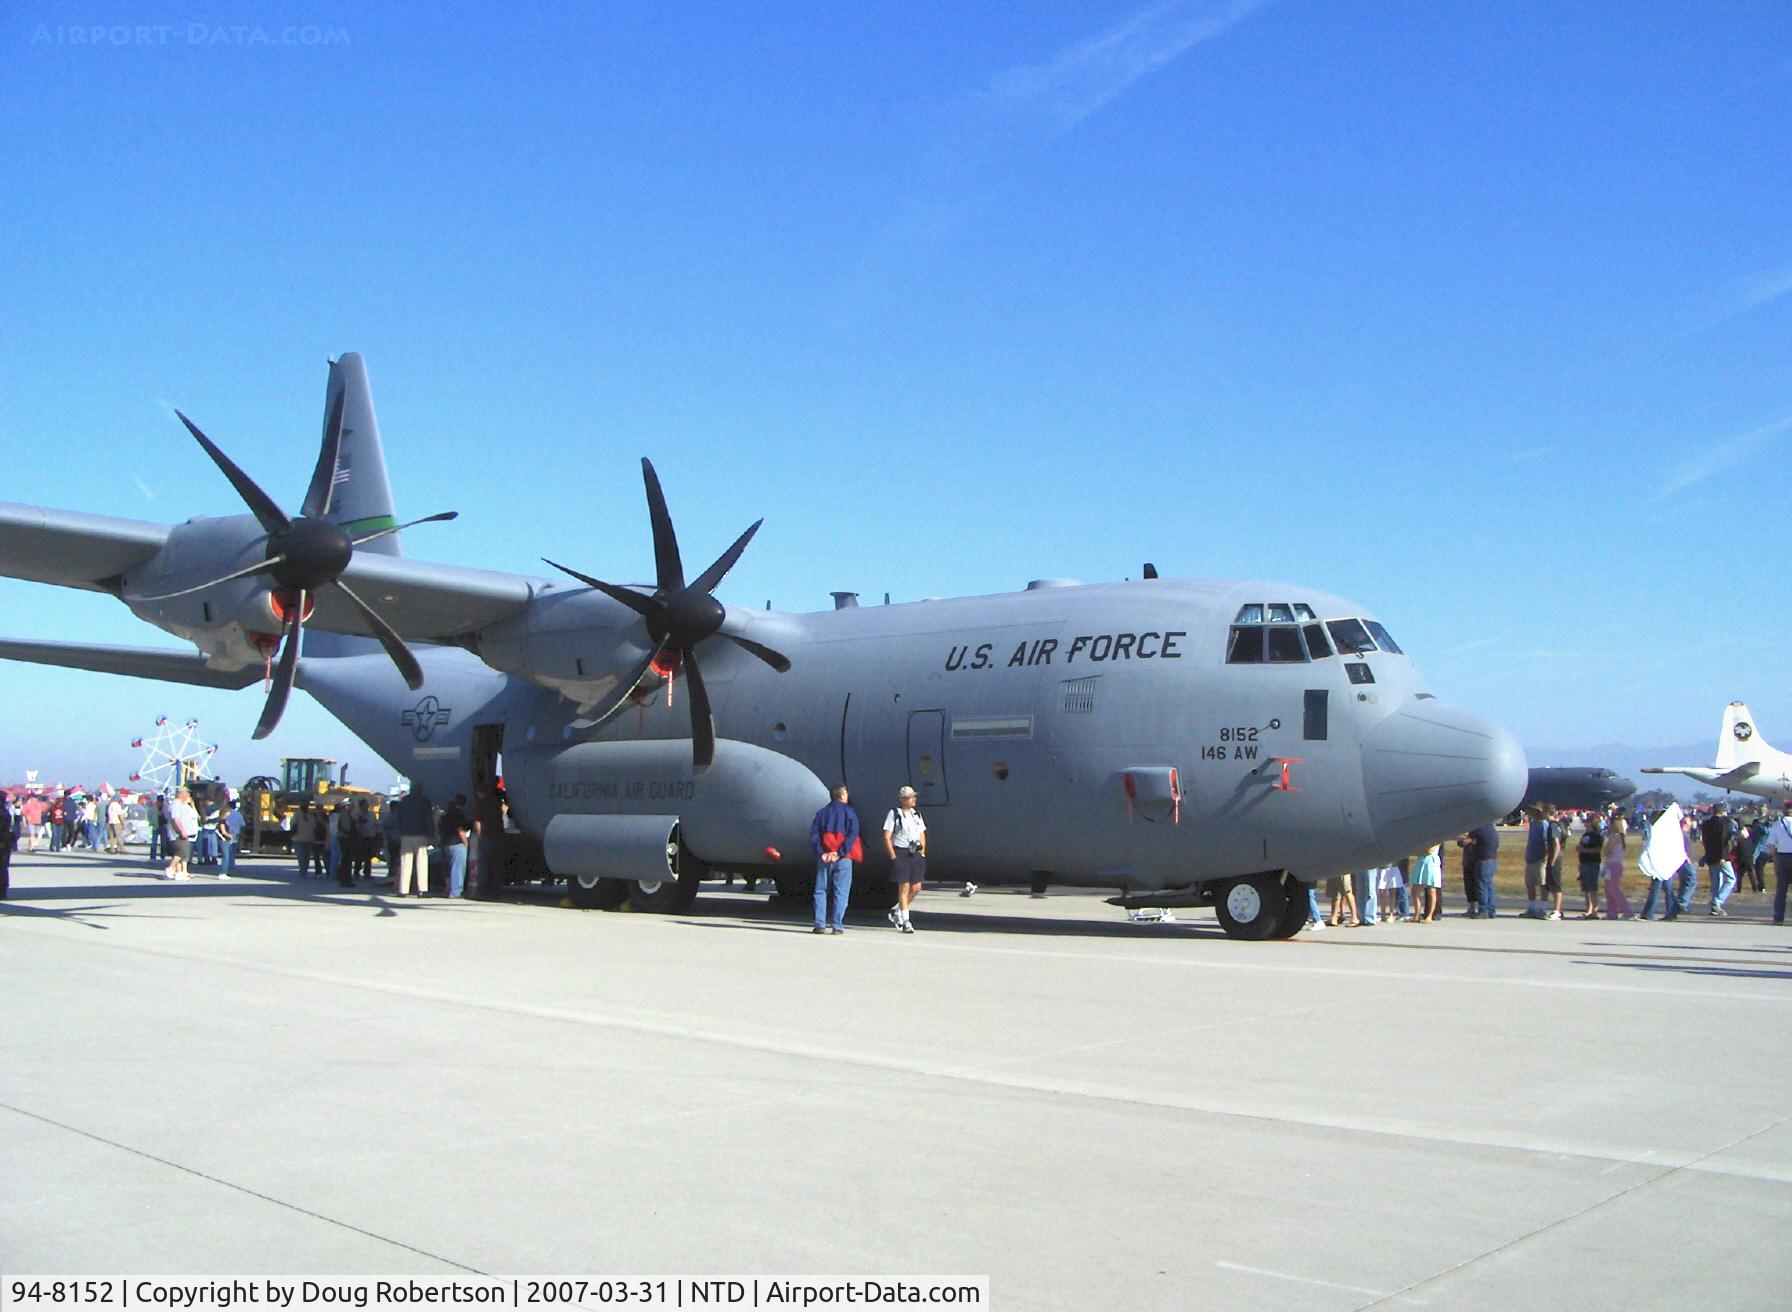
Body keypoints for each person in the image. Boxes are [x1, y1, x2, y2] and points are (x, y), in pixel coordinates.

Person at [808, 785, 860, 934]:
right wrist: (840, 852)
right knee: (841, 891)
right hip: (843, 858)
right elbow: (853, 834)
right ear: (842, 796)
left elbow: (814, 835)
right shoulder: (850, 812)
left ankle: (820, 924)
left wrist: (822, 852)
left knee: (820, 891)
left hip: (824, 858)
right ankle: (837, 926)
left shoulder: (822, 813)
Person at [883, 785, 928, 934]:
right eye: (910, 797)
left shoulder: (916, 814)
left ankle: (899, 912)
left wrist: (922, 853)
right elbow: (887, 836)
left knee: (917, 887)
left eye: (914, 796)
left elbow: (922, 833)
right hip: (901, 852)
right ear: (902, 800)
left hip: (915, 853)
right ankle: (906, 921)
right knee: (904, 887)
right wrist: (893, 856)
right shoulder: (894, 814)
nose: (914, 799)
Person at [391, 790, 435, 896]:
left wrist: (400, 832)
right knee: (422, 861)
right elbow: (428, 819)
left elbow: (398, 818)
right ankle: (422, 889)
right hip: (420, 834)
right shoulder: (425, 801)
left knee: (405, 862)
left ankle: (403, 890)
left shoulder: (404, 801)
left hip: (406, 834)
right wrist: (431, 834)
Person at [1700, 803, 1739, 917]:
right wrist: (1723, 856)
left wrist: (1706, 855)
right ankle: (1717, 902)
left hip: (1710, 855)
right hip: (1721, 856)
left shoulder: (1706, 824)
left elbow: (1706, 841)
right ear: (1723, 811)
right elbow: (1723, 840)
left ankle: (1715, 907)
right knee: (1731, 879)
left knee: (1717, 880)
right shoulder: (1724, 823)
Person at [1601, 812, 1634, 919]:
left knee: (1614, 890)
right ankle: (1612, 912)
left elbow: (1606, 851)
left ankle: (1627, 912)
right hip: (1611, 865)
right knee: (1608, 890)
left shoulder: (1615, 837)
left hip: (1613, 865)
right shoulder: (1618, 837)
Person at [1464, 822, 1500, 916]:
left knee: (1481, 885)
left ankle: (1483, 910)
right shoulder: (1490, 827)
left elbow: (1466, 838)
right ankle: (1491, 909)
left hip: (1483, 860)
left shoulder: (1479, 827)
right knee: (1489, 886)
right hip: (1492, 860)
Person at [439, 794, 471, 897]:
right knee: (458, 870)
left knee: (447, 869)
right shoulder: (460, 815)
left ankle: (447, 889)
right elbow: (461, 831)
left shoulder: (444, 817)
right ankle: (455, 892)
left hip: (445, 844)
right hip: (457, 844)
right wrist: (466, 844)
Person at [163, 787, 198, 880]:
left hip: (184, 833)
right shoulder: (176, 805)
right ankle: (170, 868)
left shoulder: (183, 805)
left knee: (181, 853)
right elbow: (176, 819)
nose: (188, 795)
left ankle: (179, 873)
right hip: (179, 834)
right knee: (182, 853)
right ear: (181, 794)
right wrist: (182, 831)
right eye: (187, 793)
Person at [1766, 801, 1792, 925]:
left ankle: (1778, 918)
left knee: (1781, 889)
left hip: (1783, 857)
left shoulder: (1777, 824)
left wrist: (1775, 860)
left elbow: (1772, 846)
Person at [1576, 814, 1604, 918]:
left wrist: (1585, 850)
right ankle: (1588, 909)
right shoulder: (1585, 835)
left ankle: (1594, 910)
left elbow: (1597, 850)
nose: (1585, 824)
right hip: (1584, 862)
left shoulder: (1596, 836)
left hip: (1593, 863)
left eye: (1587, 822)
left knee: (1592, 888)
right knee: (1586, 888)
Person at [1409, 844, 1442, 921]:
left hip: (1431, 863)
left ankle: (1429, 916)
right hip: (1421, 861)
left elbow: (1429, 850)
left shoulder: (1438, 837)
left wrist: (1421, 849)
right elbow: (1415, 850)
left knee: (1431, 890)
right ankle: (1417, 915)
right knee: (1415, 891)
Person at [216, 799, 243, 879]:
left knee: (228, 854)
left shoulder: (224, 820)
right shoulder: (222, 821)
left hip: (227, 837)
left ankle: (226, 869)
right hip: (225, 839)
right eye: (227, 812)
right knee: (227, 855)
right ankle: (223, 872)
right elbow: (223, 831)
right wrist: (230, 835)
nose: (228, 814)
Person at [0, 787, 14, 898]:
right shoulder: (5, 811)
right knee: (3, 867)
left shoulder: (3, 812)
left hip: (3, 841)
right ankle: (3, 889)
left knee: (2, 867)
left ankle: (2, 889)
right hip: (5, 841)